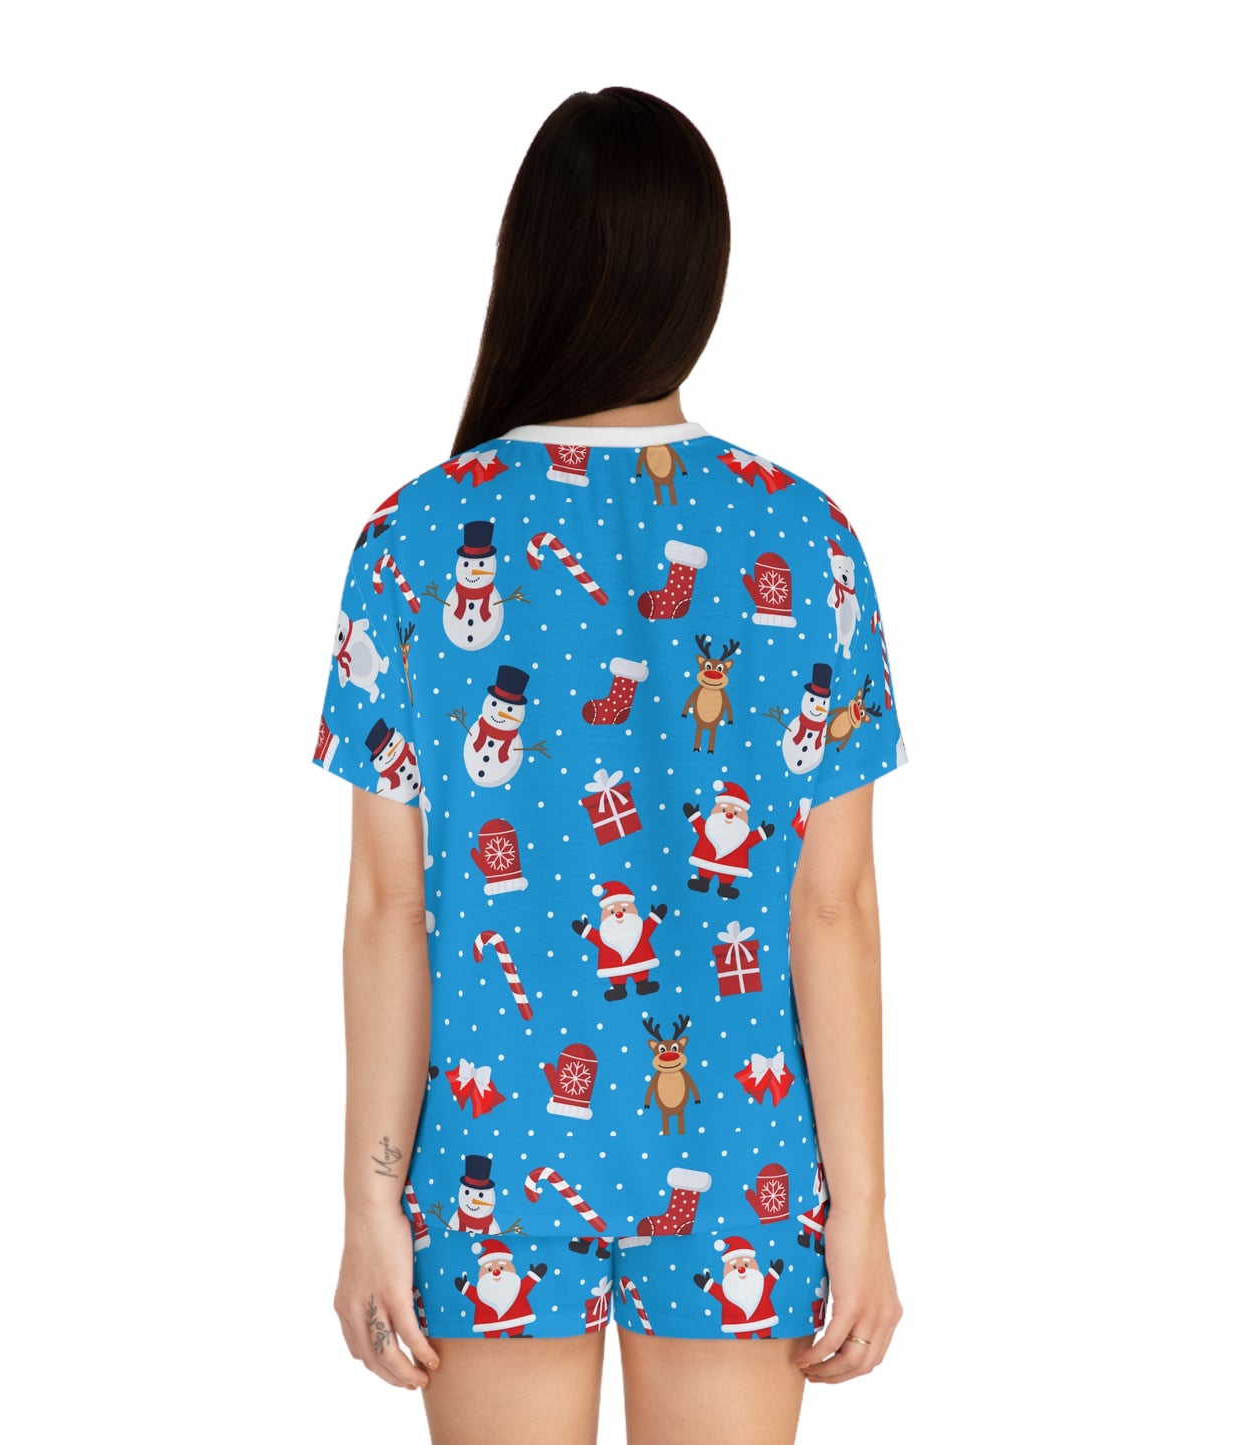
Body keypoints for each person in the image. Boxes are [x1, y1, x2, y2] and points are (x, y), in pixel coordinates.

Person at [311, 87, 909, 1445]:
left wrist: (368, 1201)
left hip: (495, 1161)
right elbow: (832, 907)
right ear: (701, 277)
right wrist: (863, 1213)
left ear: (529, 266)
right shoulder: (806, 538)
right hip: (745, 1169)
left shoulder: (413, 537)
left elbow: (386, 907)